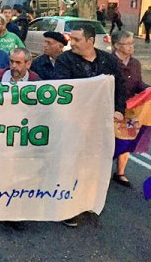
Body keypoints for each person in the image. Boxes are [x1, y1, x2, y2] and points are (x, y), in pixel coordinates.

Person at [54, 23, 126, 227]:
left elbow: (119, 87)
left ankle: (87, 202)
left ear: (90, 41)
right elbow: (63, 89)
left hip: (99, 126)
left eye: (77, 40)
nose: (72, 43)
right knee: (71, 165)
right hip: (74, 124)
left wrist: (119, 109)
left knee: (93, 166)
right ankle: (68, 207)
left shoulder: (109, 61)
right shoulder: (65, 60)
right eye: (71, 39)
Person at [111, 30, 149, 188]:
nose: (131, 47)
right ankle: (102, 172)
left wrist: (148, 90)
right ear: (116, 45)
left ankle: (120, 172)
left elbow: (139, 83)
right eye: (127, 44)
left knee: (127, 140)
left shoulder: (135, 63)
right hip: (112, 109)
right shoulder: (109, 62)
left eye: (132, 43)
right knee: (111, 142)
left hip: (132, 109)